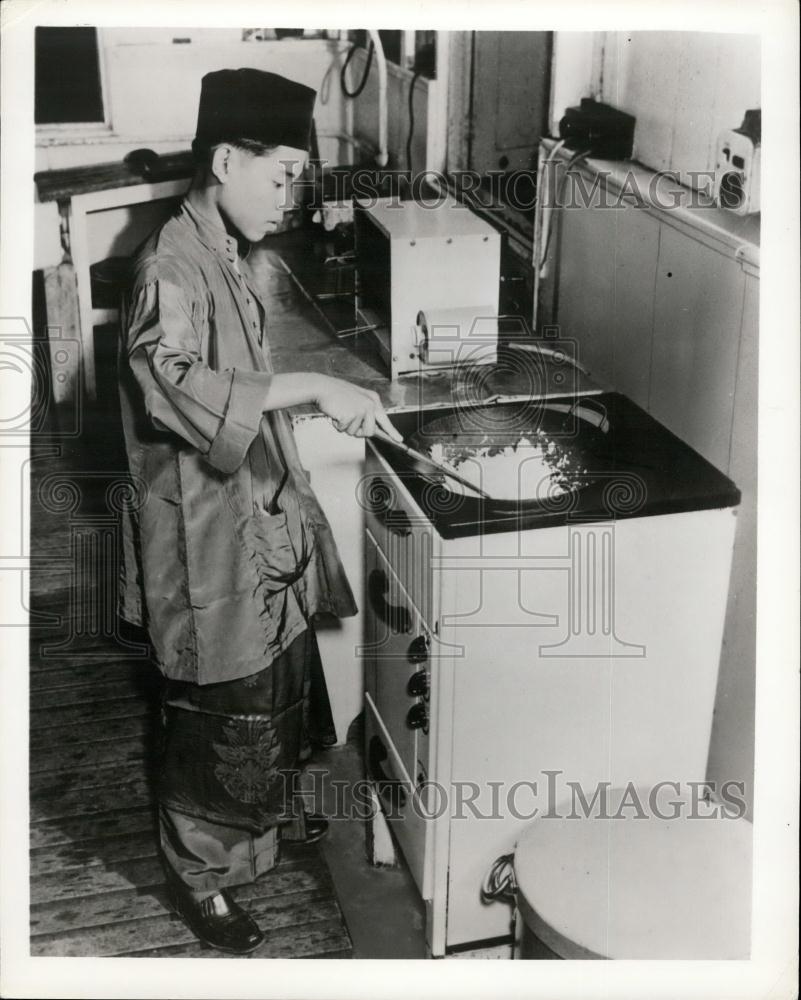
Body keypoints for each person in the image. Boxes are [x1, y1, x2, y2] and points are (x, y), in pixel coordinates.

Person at [117, 67, 401, 955]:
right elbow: (168, 381)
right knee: (219, 710)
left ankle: (256, 846)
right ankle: (199, 880)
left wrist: (317, 397)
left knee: (271, 693)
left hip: (255, 520)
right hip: (204, 539)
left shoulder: (223, 250)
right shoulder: (171, 264)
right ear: (226, 159)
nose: (290, 197)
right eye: (280, 176)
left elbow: (242, 386)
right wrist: (315, 381)